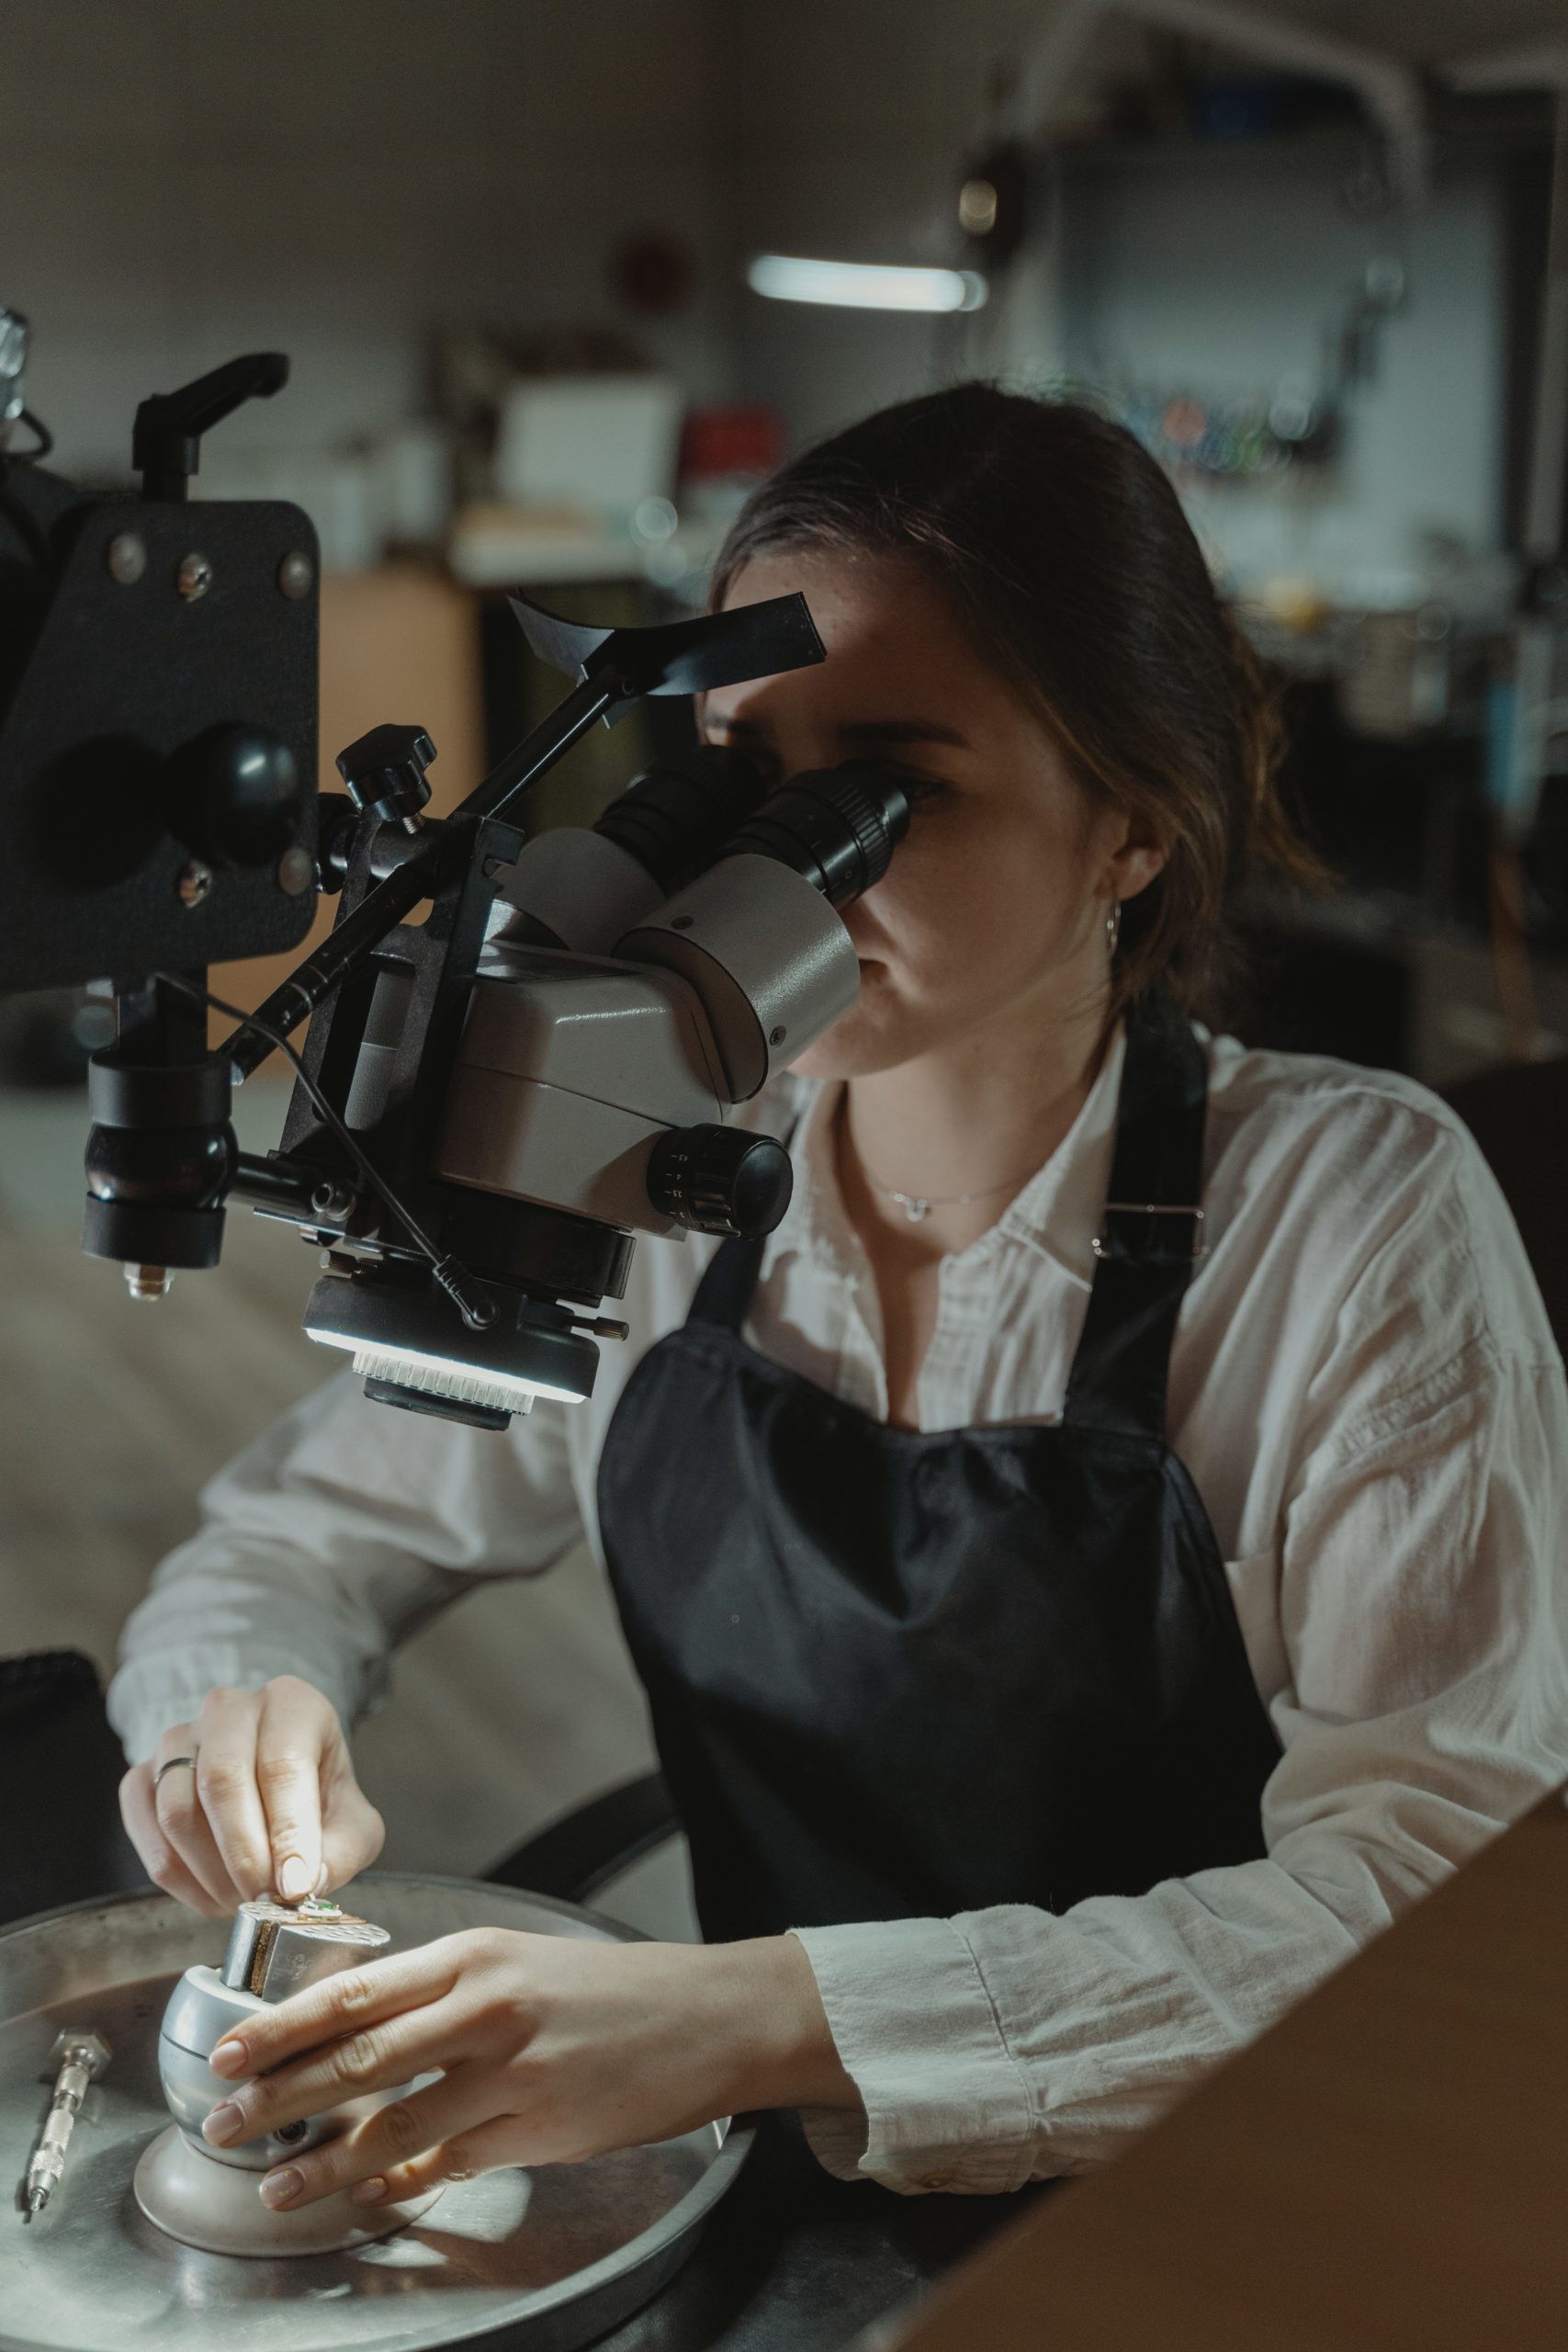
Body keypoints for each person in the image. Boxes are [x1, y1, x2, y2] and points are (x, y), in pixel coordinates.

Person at [108, 385, 1568, 2217]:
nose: (762, 882)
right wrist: (235, 1716)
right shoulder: (657, 1152)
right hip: (781, 2160)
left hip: (1240, 2189)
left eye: (883, 795)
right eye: (738, 777)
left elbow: (1425, 1899)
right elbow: (297, 1536)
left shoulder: (1346, 1215)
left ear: (1127, 825)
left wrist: (764, 2018)